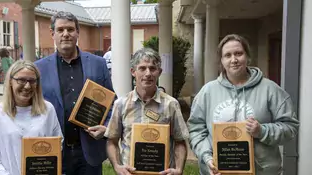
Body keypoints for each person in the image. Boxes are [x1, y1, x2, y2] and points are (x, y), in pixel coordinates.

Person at [187, 34, 299, 175]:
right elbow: (196, 129)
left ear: (248, 57)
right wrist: (207, 157)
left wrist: (262, 131)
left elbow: (290, 127)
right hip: (218, 171)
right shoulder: (207, 92)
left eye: (238, 53)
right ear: (221, 61)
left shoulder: (270, 89)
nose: (234, 60)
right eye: (227, 55)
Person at [35, 11, 114, 175]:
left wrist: (106, 127)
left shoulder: (98, 64)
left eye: (70, 29)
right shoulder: (39, 68)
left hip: (89, 150)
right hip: (54, 151)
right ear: (53, 33)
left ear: (77, 33)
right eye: (60, 30)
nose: (66, 34)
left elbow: (112, 103)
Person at [104, 48, 189, 175]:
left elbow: (180, 141)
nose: (148, 73)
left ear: (159, 72)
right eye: (142, 68)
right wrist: (117, 166)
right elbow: (112, 141)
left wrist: (178, 170)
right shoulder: (121, 104)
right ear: (133, 71)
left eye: (152, 68)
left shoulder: (171, 104)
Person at [0, 60, 63, 175]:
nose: (27, 86)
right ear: (10, 81)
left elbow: (58, 144)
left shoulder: (48, 110)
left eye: (32, 81)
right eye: (21, 80)